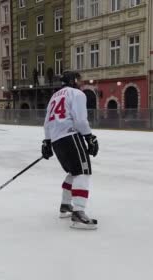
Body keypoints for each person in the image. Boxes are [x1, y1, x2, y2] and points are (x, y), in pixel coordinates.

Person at [41, 71, 99, 230]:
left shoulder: (54, 96)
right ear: (73, 80)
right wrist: (89, 137)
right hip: (70, 135)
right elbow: (80, 119)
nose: (81, 82)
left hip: (56, 139)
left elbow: (47, 122)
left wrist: (47, 141)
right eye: (79, 79)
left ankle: (66, 205)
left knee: (74, 172)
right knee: (83, 172)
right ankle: (78, 213)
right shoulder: (77, 94)